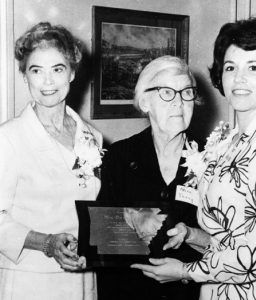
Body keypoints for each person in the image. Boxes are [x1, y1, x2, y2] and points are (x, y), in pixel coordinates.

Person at [131, 17, 256, 300]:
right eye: (231, 67)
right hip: (220, 289)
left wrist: (186, 270)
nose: (239, 78)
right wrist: (190, 235)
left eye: (254, 67)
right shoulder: (232, 141)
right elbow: (228, 240)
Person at [0, 22, 104, 299]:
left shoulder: (92, 137)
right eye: (37, 70)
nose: (48, 82)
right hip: (31, 281)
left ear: (71, 73)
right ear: (25, 76)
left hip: (81, 276)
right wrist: (47, 243)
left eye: (57, 69)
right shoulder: (8, 138)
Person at [98, 55, 204, 300]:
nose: (179, 102)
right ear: (145, 101)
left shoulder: (212, 157)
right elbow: (105, 244)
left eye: (186, 92)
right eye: (167, 92)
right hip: (130, 292)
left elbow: (225, 243)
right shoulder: (120, 156)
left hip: (191, 293)